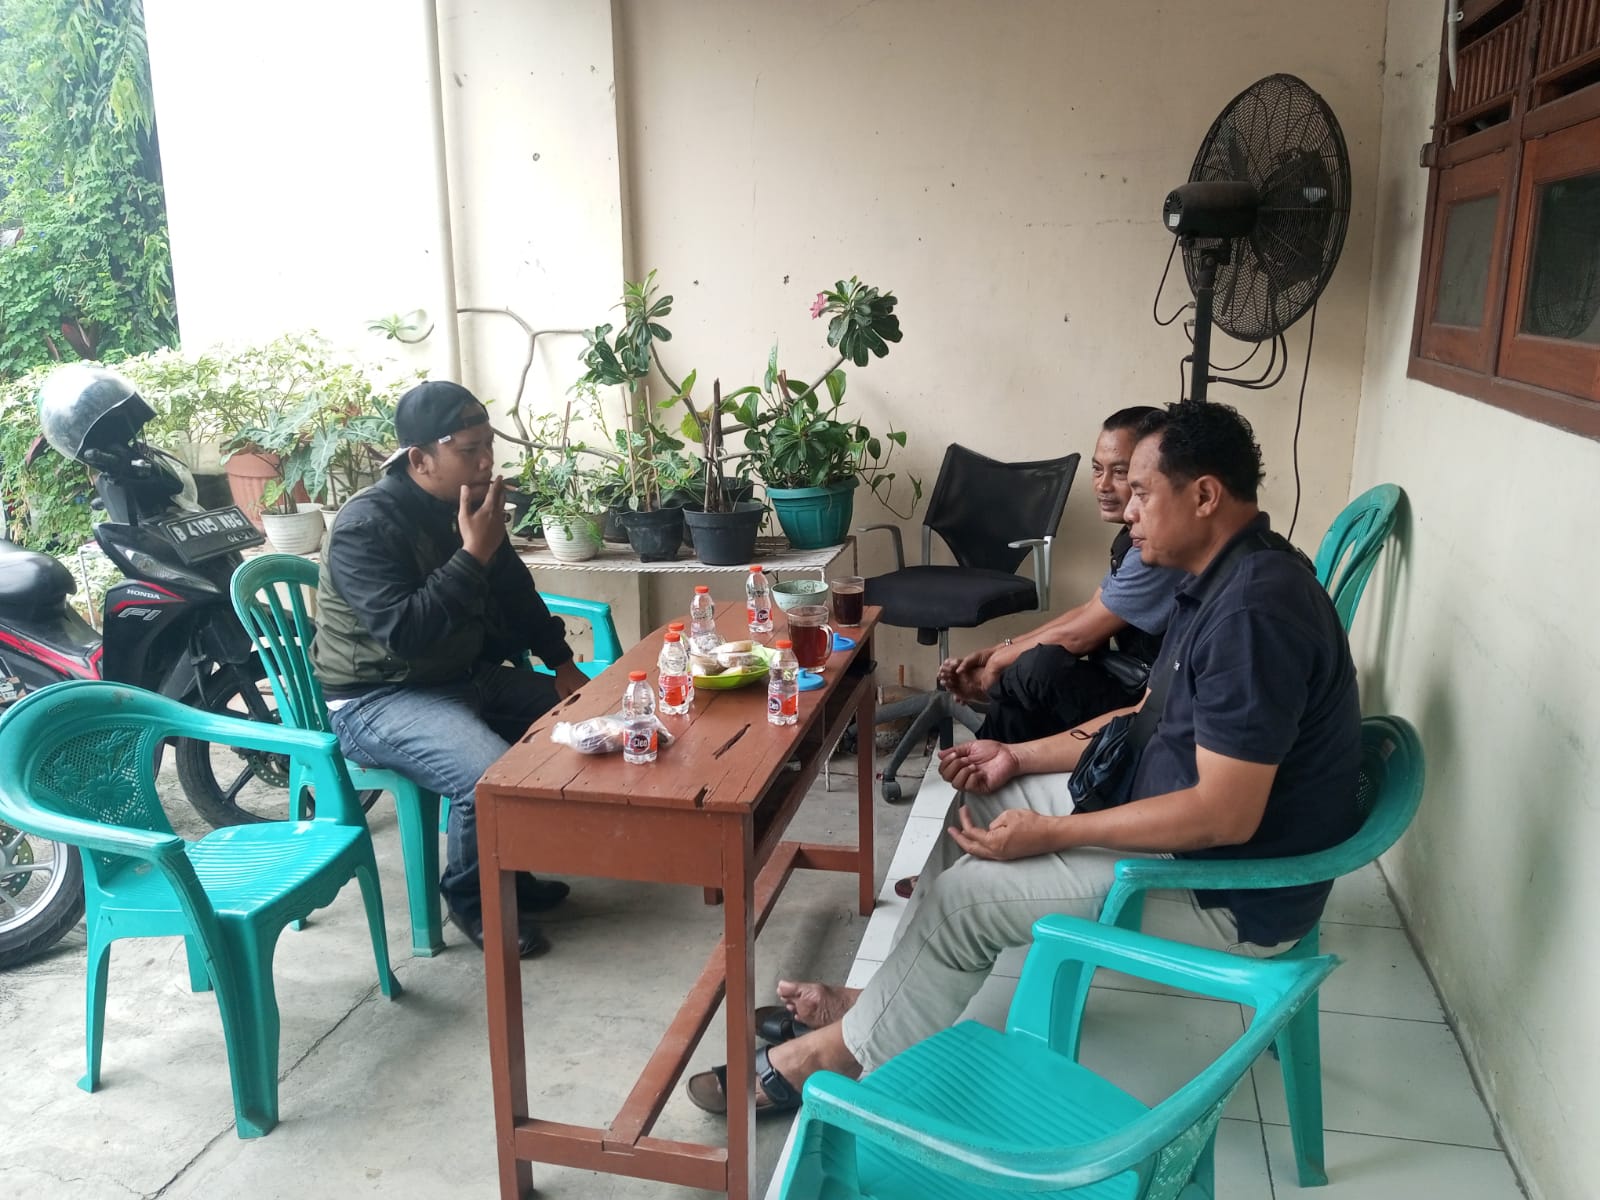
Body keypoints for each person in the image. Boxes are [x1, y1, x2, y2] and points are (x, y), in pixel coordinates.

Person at [685, 399, 1363, 1114]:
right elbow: (1143, 713)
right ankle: (876, 1005)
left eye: (1140, 491)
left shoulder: (1256, 611)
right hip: (1166, 817)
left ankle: (831, 1062)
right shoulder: (1218, 577)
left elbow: (1225, 814)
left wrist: (1055, 832)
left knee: (963, 905)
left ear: (1204, 496)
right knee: (971, 801)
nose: (1128, 511)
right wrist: (1016, 756)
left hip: (1223, 889)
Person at [311, 380, 589, 958]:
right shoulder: (366, 525)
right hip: (377, 698)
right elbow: (406, 633)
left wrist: (562, 665)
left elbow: (515, 592)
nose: (486, 462)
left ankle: (510, 869)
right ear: (420, 459)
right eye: (469, 450)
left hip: (460, 676)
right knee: (484, 772)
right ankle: (473, 901)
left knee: (582, 727)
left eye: (488, 446)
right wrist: (473, 554)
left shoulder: (467, 504)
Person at [939, 405, 1185, 745]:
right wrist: (998, 651)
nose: (1103, 485)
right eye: (1097, 469)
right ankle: (990, 758)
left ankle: (990, 734)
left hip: (1151, 702)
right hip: (1127, 677)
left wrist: (994, 670)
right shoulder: (1131, 539)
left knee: (1037, 669)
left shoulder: (1158, 549)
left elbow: (1080, 637)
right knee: (1024, 688)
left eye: (1120, 472)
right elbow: (1087, 612)